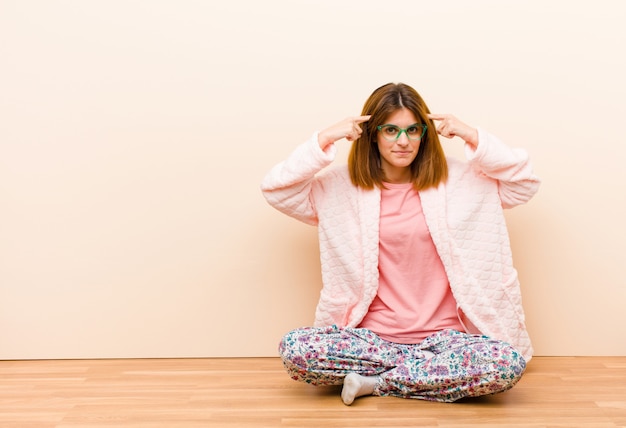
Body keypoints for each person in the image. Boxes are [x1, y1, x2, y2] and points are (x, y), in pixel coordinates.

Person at [260, 82, 540, 405]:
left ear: (425, 134)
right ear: (373, 134)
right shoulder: (340, 189)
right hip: (371, 341)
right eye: (391, 130)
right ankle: (416, 377)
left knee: (506, 363)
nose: (403, 141)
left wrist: (470, 134)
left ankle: (377, 383)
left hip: (446, 343)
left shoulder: (462, 181)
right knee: (295, 349)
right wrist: (325, 138)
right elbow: (276, 191)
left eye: (412, 130)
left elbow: (524, 184)